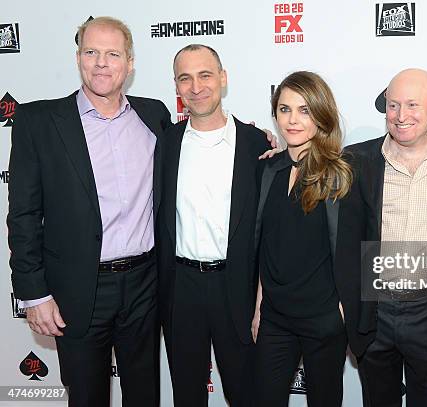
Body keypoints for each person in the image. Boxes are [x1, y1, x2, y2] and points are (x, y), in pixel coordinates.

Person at [7, 16, 171, 407]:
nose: (101, 62)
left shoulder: (155, 116)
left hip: (146, 285)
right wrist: (34, 294)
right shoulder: (39, 122)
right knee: (86, 397)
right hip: (78, 290)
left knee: (145, 394)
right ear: (78, 57)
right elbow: (23, 216)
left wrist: (256, 141)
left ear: (129, 63)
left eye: (113, 54)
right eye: (91, 52)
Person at [335, 68, 427, 406]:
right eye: (393, 105)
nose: (401, 116)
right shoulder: (356, 159)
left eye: (413, 105)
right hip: (375, 308)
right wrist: (269, 147)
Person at [156, 44, 270, 407]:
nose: (196, 86)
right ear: (176, 86)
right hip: (181, 287)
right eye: (185, 78)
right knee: (187, 395)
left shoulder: (258, 145)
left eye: (205, 75)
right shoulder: (164, 142)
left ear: (223, 78)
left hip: (236, 286)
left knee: (246, 392)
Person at [251, 71, 352, 407]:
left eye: (304, 110)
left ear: (321, 114)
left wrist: (341, 310)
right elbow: (266, 248)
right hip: (275, 319)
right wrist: (258, 310)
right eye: (284, 109)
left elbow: (352, 250)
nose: (292, 120)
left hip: (322, 319)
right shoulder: (268, 170)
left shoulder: (339, 174)